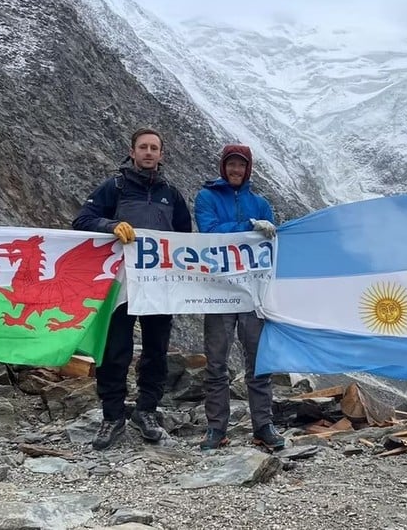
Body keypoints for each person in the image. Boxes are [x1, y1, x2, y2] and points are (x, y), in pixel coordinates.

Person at [72, 127, 192, 450]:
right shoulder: (116, 186)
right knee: (115, 349)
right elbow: (82, 220)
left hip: (159, 283)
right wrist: (110, 226)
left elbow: (184, 236)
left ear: (161, 154)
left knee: (156, 350)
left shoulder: (172, 193)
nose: (149, 152)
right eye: (143, 147)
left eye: (155, 147)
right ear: (133, 151)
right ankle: (112, 416)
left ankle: (146, 411)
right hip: (121, 283)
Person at [193, 144, 285, 451]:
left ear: (248, 170)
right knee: (216, 363)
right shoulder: (207, 197)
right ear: (223, 167)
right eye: (231, 165)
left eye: (241, 166)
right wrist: (247, 227)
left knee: (258, 362)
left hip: (252, 295)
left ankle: (263, 425)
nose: (236, 170)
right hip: (219, 291)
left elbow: (272, 246)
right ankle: (216, 428)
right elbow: (209, 232)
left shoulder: (261, 203)